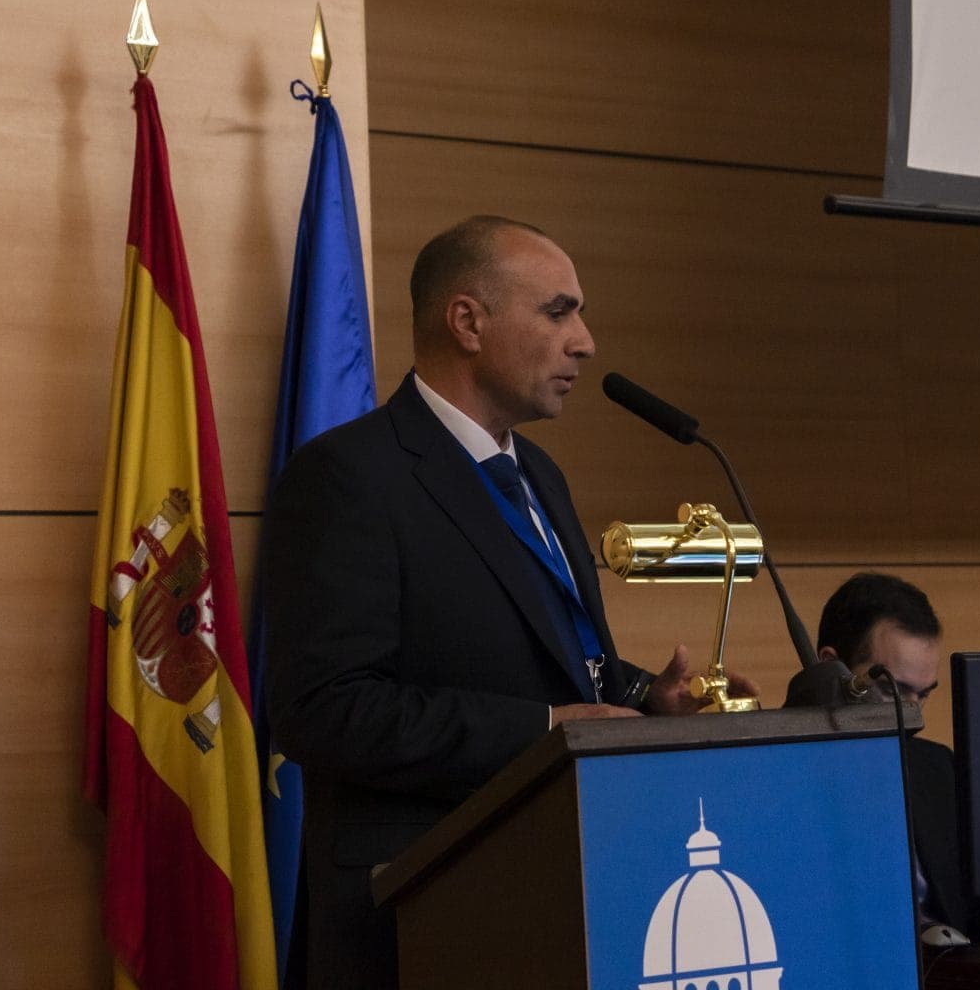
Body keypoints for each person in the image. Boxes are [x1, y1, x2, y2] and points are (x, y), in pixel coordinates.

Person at [262, 214, 756, 988]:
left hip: (558, 898)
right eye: (559, 311)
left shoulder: (541, 478)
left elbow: (549, 658)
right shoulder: (351, 477)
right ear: (468, 321)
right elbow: (322, 711)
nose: (586, 341)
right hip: (415, 918)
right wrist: (545, 729)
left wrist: (641, 697)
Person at [811, 571, 980, 943]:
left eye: (923, 695)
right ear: (829, 668)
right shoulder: (780, 778)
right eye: (892, 691)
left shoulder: (937, 768)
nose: (914, 719)